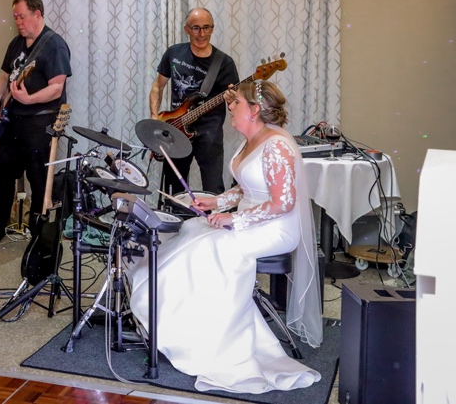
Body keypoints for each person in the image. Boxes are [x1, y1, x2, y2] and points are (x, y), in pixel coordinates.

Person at [130, 80, 323, 394]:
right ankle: (182, 322)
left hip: (276, 228)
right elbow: (246, 188)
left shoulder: (276, 146)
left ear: (255, 109)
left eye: (236, 103)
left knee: (211, 246)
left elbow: (282, 203)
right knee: (192, 228)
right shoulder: (250, 140)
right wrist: (216, 203)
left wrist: (234, 219)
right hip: (251, 219)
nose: (230, 107)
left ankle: (212, 339)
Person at [0, 0, 72, 245]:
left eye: (22, 17)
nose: (18, 22)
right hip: (13, 121)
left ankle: (39, 238)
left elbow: (57, 87)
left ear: (37, 14)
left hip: (40, 125)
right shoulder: (16, 43)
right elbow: (5, 76)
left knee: (38, 182)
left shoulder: (54, 45)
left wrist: (29, 99)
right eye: (15, 17)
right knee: (1, 174)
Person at [149, 7, 239, 195]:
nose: (202, 34)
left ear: (213, 28)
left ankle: (212, 214)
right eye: (196, 28)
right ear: (186, 29)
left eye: (206, 28)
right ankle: (176, 213)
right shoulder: (174, 53)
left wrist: (233, 100)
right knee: (173, 188)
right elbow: (158, 86)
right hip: (177, 127)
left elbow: (236, 102)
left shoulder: (224, 63)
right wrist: (154, 117)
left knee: (213, 186)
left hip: (209, 132)